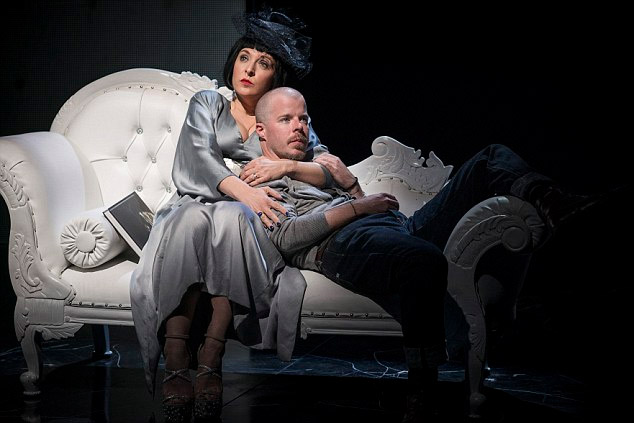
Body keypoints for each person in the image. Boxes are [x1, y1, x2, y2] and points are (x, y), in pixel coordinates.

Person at [251, 87, 604, 422]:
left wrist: (353, 187)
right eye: (286, 119)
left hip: (394, 225)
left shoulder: (317, 161)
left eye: (304, 118)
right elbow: (286, 236)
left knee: (489, 158)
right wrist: (358, 206)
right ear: (262, 130)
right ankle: (422, 389)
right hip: (341, 243)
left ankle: (557, 206)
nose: (299, 126)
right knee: (421, 258)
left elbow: (363, 200)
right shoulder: (260, 177)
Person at [129, 9, 335, 423]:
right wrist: (244, 190)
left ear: (275, 76)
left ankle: (212, 355)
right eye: (244, 57)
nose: (249, 69)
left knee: (233, 219)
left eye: (263, 63)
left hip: (246, 218)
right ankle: (175, 354)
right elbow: (197, 159)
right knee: (194, 220)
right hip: (196, 202)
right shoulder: (208, 102)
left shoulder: (282, 115)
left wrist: (286, 167)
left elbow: (326, 166)